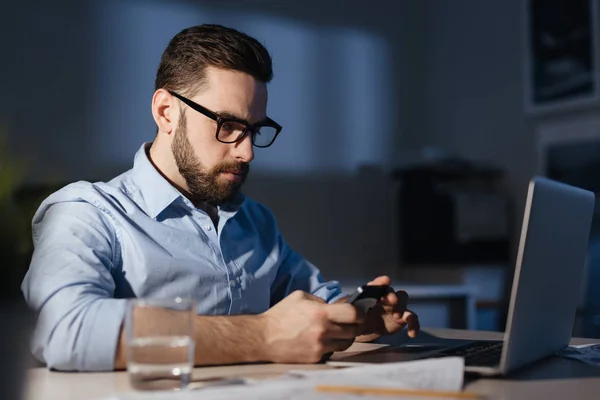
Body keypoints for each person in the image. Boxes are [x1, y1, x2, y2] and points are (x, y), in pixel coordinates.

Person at [21, 24, 419, 372]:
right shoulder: (86, 213)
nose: (247, 152)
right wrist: (261, 335)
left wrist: (360, 320)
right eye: (227, 125)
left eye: (254, 130)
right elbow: (61, 328)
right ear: (165, 112)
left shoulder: (255, 222)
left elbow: (319, 302)